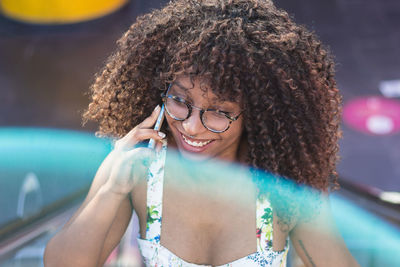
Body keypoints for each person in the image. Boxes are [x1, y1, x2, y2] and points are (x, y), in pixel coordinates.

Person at [44, 0, 360, 266]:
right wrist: (111, 190)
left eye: (219, 113)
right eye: (180, 101)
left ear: (255, 114)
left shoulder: (284, 181)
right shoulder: (137, 166)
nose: (192, 127)